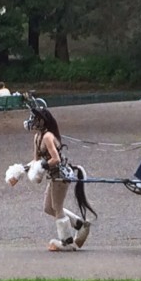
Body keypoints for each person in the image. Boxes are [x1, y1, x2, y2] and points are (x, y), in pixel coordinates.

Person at [25, 106, 97, 251]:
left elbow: (56, 159)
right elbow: (35, 161)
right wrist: (21, 171)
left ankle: (67, 242)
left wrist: (42, 166)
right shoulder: (37, 137)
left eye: (35, 118)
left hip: (60, 176)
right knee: (48, 208)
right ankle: (80, 224)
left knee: (57, 208)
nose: (32, 121)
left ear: (43, 121)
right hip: (52, 176)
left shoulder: (47, 137)